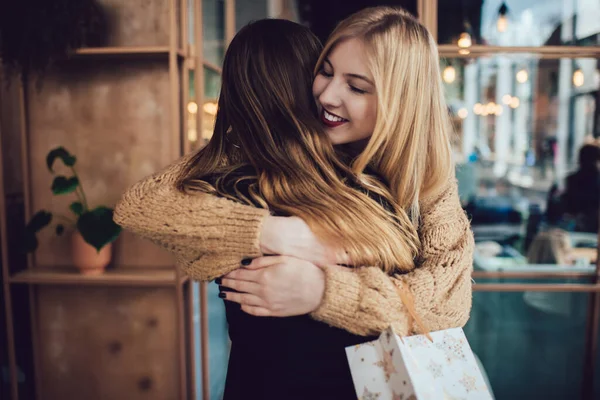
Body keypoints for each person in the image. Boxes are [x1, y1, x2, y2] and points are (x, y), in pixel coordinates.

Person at [115, 6, 474, 396]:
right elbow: (142, 205)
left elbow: (449, 304)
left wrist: (325, 291)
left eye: (356, 86)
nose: (326, 94)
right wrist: (271, 233)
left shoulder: (424, 179)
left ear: (400, 102)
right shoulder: (245, 172)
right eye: (324, 71)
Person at [561, 143, 600, 232]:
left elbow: (568, 206)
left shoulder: (571, 179)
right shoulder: (596, 180)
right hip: (593, 228)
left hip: (575, 226)